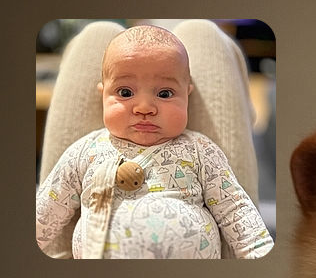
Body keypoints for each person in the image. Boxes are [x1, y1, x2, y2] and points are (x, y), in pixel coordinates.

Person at [36, 24, 273, 259]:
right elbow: (46, 212)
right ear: (103, 94)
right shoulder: (84, 152)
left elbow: (235, 210)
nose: (145, 108)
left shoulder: (202, 150)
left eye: (165, 94)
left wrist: (259, 255)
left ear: (187, 94)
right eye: (125, 93)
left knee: (203, 31)